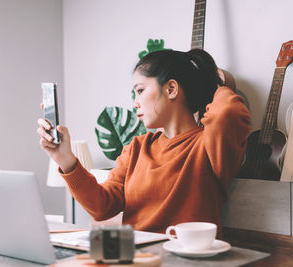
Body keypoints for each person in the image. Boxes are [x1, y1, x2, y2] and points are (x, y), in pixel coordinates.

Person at [37, 49, 251, 238]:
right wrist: (65, 159)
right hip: (138, 259)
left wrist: (210, 82)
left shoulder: (209, 144)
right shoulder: (137, 148)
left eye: (140, 90)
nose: (135, 103)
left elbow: (228, 111)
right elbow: (101, 207)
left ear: (171, 89)